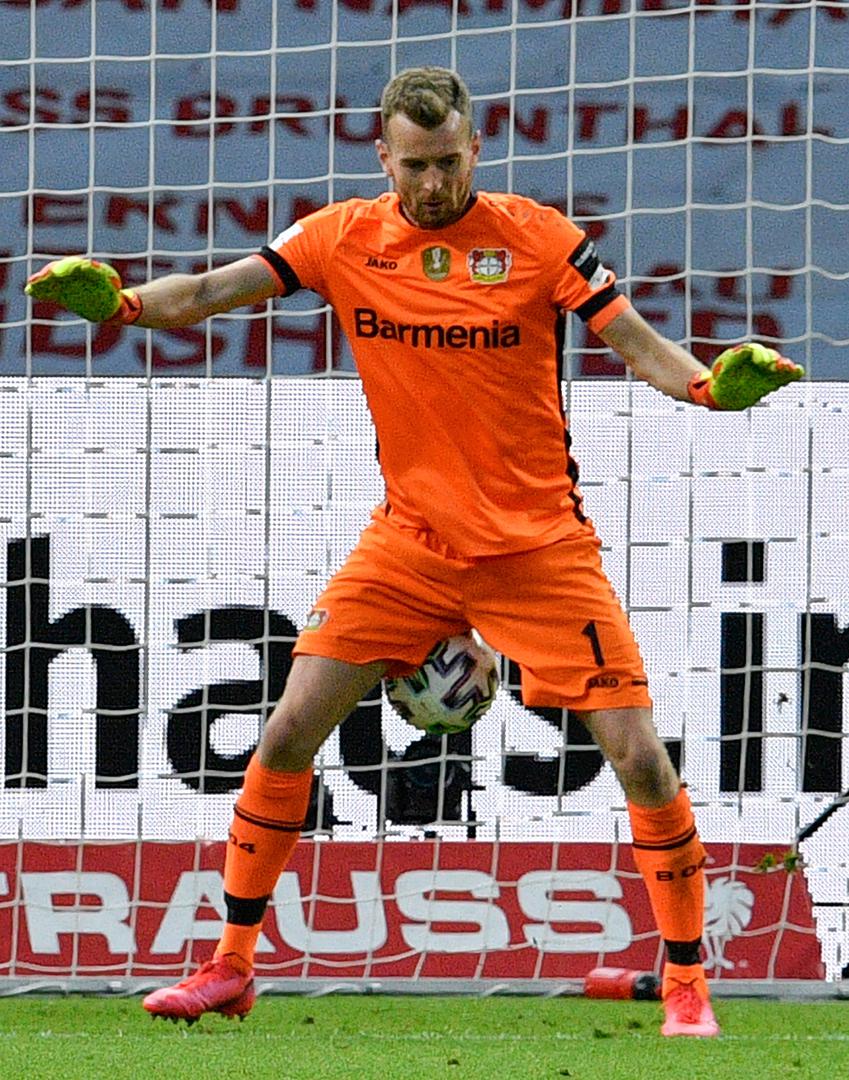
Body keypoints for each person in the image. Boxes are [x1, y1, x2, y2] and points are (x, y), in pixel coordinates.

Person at [26, 66, 802, 1036]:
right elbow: (211, 292)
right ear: (382, 158)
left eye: (448, 163)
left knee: (641, 760)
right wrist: (123, 307)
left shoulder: (538, 240)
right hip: (410, 545)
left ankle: (686, 983)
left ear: (475, 149)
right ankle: (232, 964)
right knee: (286, 733)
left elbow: (638, 344)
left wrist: (709, 390)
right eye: (415, 165)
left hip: (537, 549)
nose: (433, 184)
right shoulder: (341, 238)